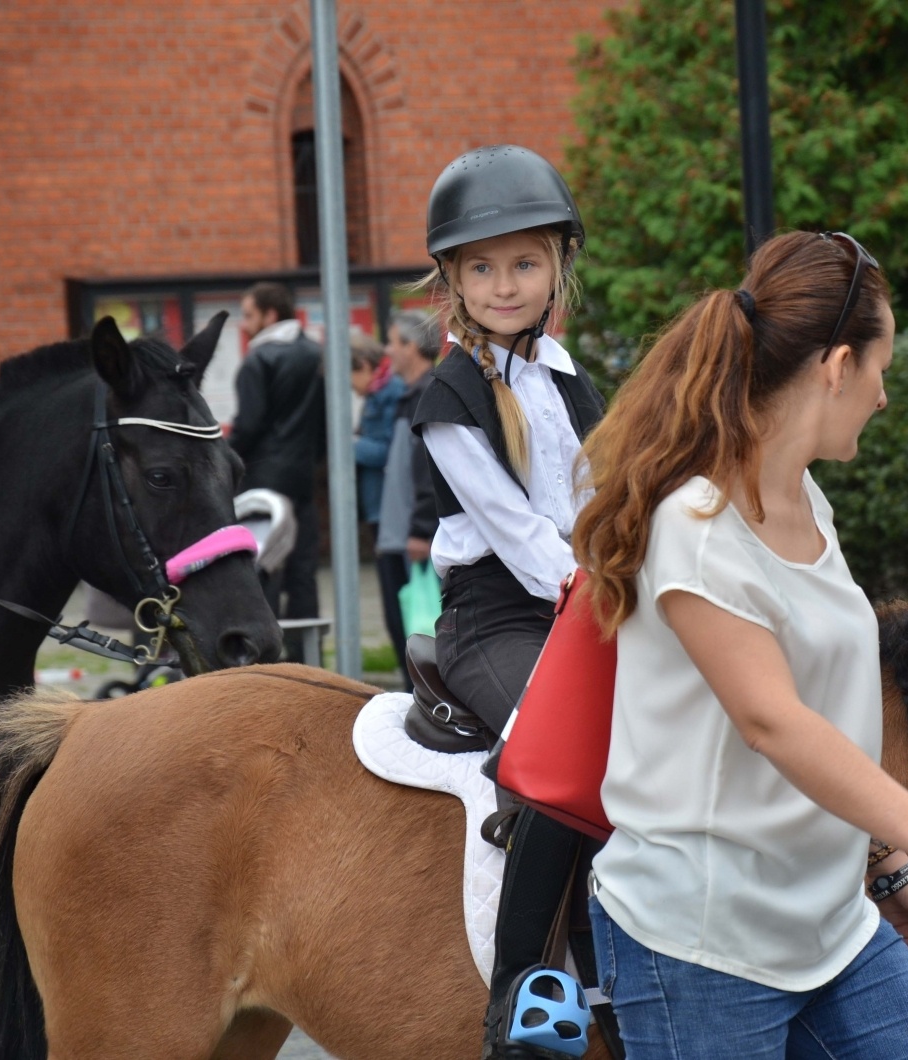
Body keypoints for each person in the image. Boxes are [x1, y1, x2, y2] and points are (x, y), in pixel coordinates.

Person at [571, 231, 908, 1058]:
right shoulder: (696, 526)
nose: (883, 394)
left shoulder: (807, 502)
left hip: (830, 928)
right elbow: (774, 722)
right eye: (880, 367)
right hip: (701, 943)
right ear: (835, 367)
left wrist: (888, 861)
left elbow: (826, 715)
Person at [407, 145, 604, 1059]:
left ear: (557, 265)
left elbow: (604, 493)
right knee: (560, 748)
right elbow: (521, 538)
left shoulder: (567, 375)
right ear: (452, 278)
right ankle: (521, 994)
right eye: (482, 267)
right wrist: (598, 587)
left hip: (586, 600)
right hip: (496, 616)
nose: (504, 283)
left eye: (524, 263)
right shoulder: (447, 400)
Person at [229, 282, 326, 645]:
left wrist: (225, 457)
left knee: (263, 568)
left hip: (264, 479)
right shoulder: (315, 354)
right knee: (303, 572)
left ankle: (263, 654)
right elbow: (324, 425)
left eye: (249, 314)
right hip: (302, 477)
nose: (244, 323)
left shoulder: (259, 359)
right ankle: (307, 657)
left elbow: (249, 425)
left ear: (270, 315)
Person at [374, 309, 442, 687]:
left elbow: (431, 468)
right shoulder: (410, 395)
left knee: (417, 631)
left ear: (412, 346)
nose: (387, 350)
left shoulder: (428, 395)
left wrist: (420, 528)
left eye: (393, 341)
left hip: (412, 539)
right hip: (400, 535)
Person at [351, 334, 405, 527]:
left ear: (364, 366)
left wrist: (350, 445)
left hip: (386, 504)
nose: (349, 385)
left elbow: (390, 450)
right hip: (377, 503)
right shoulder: (377, 391)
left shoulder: (391, 390)